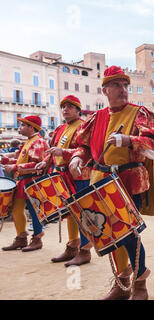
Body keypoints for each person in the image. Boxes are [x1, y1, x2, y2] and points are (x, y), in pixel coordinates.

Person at [68, 66, 154, 300]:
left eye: (125, 85)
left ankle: (141, 283)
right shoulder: (97, 118)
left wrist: (129, 140)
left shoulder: (140, 113)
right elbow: (83, 146)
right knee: (109, 234)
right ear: (105, 90)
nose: (123, 89)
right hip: (100, 180)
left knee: (128, 234)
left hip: (127, 179)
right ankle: (122, 282)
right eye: (116, 85)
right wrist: (76, 158)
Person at [35, 95, 93, 266]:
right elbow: (53, 151)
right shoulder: (60, 128)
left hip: (79, 175)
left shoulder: (83, 126)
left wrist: (65, 153)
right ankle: (72, 246)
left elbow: (86, 150)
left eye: (70, 106)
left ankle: (85, 250)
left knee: (82, 213)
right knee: (70, 213)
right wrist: (45, 162)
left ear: (77, 109)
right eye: (63, 107)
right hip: (61, 175)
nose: (65, 109)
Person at [1, 116, 49, 251]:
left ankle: (37, 238)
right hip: (24, 179)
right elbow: (21, 161)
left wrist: (15, 168)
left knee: (33, 210)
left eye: (23, 125)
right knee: (17, 209)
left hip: (32, 180)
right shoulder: (29, 142)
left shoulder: (38, 141)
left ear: (31, 127)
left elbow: (36, 163)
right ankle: (21, 237)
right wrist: (7, 161)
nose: (20, 127)